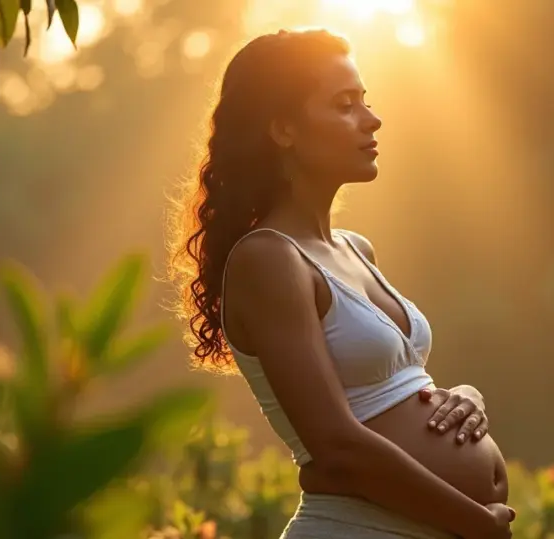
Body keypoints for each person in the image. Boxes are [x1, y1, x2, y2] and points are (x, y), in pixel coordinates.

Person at [167, 28, 514, 539]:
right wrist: (476, 524)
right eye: (344, 104)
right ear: (284, 129)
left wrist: (465, 396)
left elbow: (394, 390)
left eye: (365, 101)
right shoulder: (268, 259)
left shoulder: (355, 250)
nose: (371, 120)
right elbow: (336, 444)